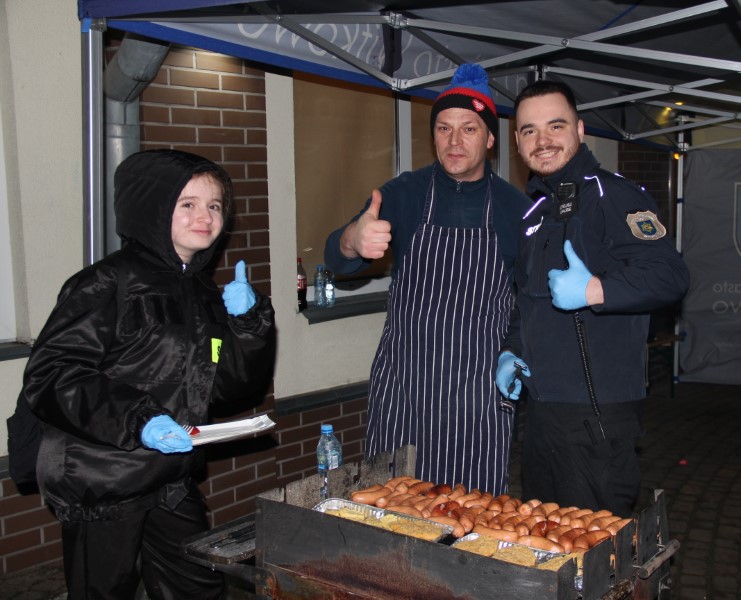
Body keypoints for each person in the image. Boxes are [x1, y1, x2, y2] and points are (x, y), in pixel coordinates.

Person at [20, 149, 276, 600]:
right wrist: (141, 420)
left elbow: (234, 388)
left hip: (170, 478)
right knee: (105, 592)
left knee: (198, 586)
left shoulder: (201, 291)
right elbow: (53, 374)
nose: (206, 216)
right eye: (188, 204)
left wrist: (249, 325)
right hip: (103, 479)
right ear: (153, 209)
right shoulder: (106, 283)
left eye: (214, 205)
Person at [324, 64, 532, 496]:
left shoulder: (515, 208)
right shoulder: (403, 193)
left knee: (471, 515)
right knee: (393, 507)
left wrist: (515, 350)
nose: (454, 141)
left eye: (469, 129)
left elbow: (531, 300)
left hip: (478, 393)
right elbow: (337, 259)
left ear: (490, 138)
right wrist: (351, 241)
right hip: (404, 386)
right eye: (444, 128)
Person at [495, 80, 690, 516]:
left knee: (592, 556)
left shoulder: (613, 195)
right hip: (543, 409)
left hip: (596, 414)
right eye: (529, 130)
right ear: (517, 142)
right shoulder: (534, 212)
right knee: (544, 541)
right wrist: (512, 350)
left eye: (555, 126)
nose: (542, 140)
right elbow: (527, 301)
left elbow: (670, 275)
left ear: (580, 130)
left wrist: (595, 290)